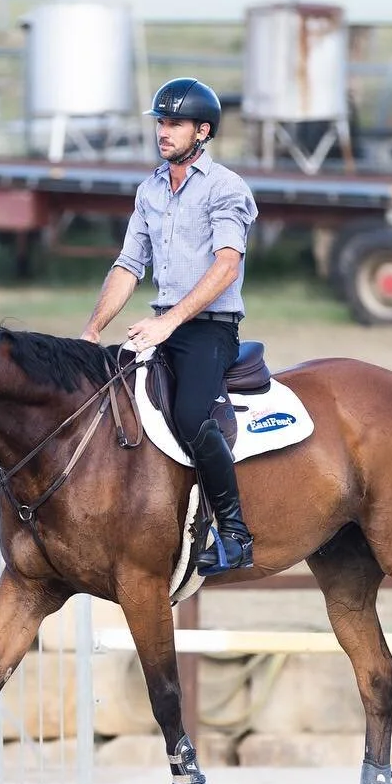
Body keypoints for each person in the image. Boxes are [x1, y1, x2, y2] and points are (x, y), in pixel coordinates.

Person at [79, 77, 259, 575]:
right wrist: (92, 332)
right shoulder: (149, 190)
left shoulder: (226, 187)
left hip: (208, 329)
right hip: (161, 325)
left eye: (174, 123)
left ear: (203, 131)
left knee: (190, 414)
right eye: (161, 121)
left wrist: (170, 322)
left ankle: (234, 532)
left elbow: (225, 266)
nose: (164, 131)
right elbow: (127, 267)